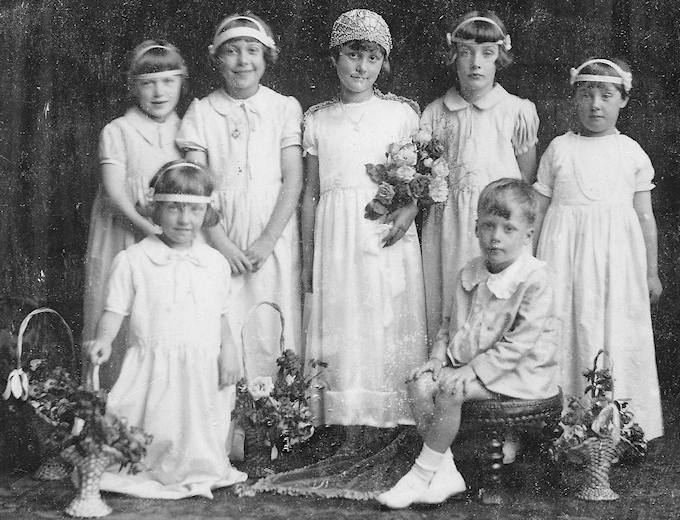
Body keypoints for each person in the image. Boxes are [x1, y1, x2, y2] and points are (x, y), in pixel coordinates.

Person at [377, 178, 558, 509]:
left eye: (508, 228)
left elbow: (520, 344)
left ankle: (419, 474)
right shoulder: (470, 271)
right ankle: (445, 473)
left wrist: (473, 371)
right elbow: (449, 326)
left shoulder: (534, 279)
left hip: (522, 375)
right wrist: (436, 359)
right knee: (419, 383)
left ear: (528, 235)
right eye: (488, 226)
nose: (496, 236)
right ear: (475, 228)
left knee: (450, 390)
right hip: (471, 369)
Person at [86, 160, 247, 499]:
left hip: (201, 364)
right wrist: (103, 340)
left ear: (207, 214)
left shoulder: (215, 263)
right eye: (174, 208)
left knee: (198, 429)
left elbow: (221, 316)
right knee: (149, 427)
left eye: (193, 210)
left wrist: (229, 350)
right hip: (152, 364)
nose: (184, 219)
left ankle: (196, 468)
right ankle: (146, 467)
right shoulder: (134, 260)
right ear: (155, 210)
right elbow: (114, 311)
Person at [301, 9, 427, 440]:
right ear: (336, 57)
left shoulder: (401, 115)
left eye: (372, 58)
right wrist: (307, 256)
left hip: (384, 230)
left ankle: (389, 415)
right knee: (344, 319)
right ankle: (344, 418)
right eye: (353, 55)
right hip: (336, 232)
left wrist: (409, 210)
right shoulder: (317, 119)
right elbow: (311, 193)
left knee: (385, 316)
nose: (361, 67)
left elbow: (422, 176)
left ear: (383, 63)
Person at [533, 58, 664, 440]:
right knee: (563, 328)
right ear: (574, 97)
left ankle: (617, 427)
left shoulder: (632, 152)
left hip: (615, 262)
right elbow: (538, 210)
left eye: (606, 96)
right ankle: (562, 424)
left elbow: (645, 218)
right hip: (562, 258)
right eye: (586, 94)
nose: (595, 105)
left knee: (614, 330)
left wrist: (651, 271)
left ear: (622, 100)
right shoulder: (559, 149)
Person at [176, 12, 303, 380]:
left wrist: (266, 241)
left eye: (252, 50)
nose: (243, 60)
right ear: (217, 58)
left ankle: (279, 423)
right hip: (219, 231)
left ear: (266, 58)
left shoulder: (283, 108)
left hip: (272, 231)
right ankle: (228, 425)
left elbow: (293, 180)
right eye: (232, 51)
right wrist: (222, 244)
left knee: (273, 321)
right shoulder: (201, 112)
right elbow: (196, 186)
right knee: (225, 319)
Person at [410, 10, 540, 346]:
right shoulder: (436, 112)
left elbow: (525, 179)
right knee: (450, 305)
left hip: (497, 225)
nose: (475, 64)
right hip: (449, 225)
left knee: (498, 305)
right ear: (454, 56)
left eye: (487, 54)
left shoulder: (516, 111)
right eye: (466, 53)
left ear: (500, 57)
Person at [83, 40, 186, 390]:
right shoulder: (118, 131)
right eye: (148, 83)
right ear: (133, 86)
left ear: (182, 83)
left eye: (168, 81)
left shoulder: (186, 131)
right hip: (124, 234)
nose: (159, 92)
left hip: (170, 239)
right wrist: (149, 229)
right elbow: (114, 192)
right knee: (116, 310)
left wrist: (168, 235)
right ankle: (107, 401)